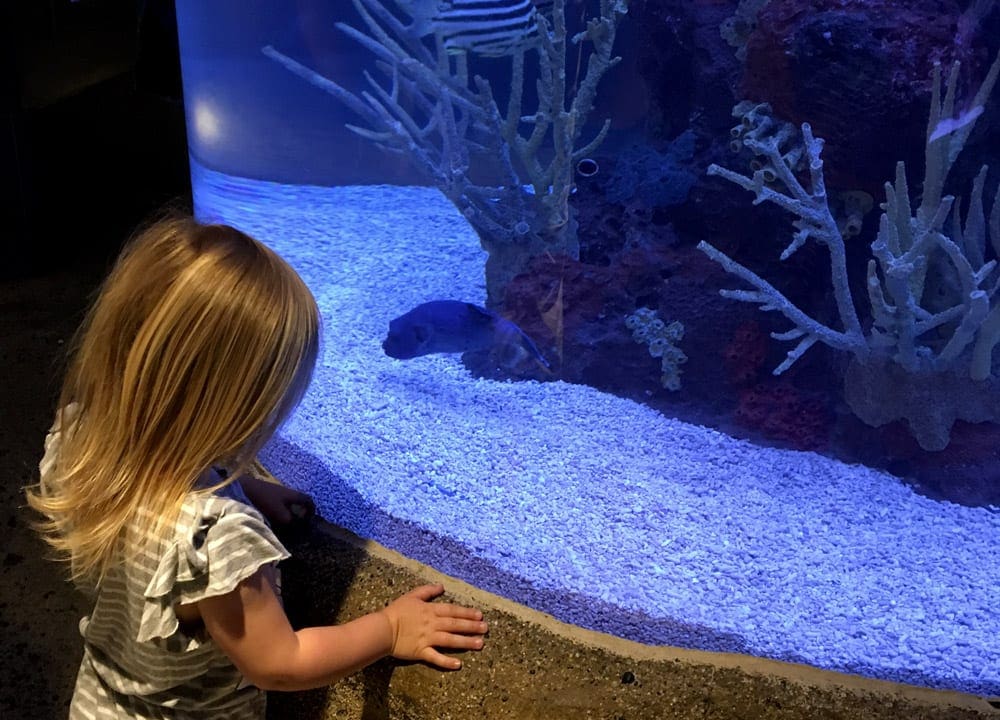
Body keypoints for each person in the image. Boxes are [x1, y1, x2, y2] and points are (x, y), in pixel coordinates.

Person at [25, 215, 488, 719]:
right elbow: (279, 662)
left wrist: (238, 484)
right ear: (241, 404)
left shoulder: (77, 440)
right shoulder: (215, 537)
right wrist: (390, 628)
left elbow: (153, 471)